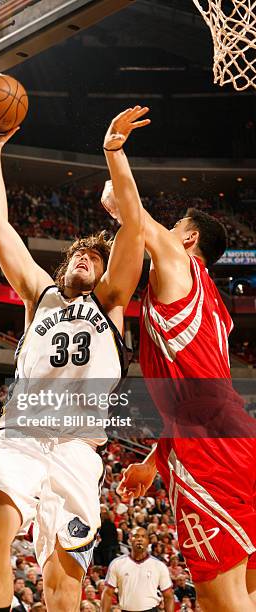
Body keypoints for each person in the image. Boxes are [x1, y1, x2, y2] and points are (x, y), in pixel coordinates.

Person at [0, 105, 148, 612]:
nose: (85, 260)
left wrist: (113, 153)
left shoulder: (111, 303)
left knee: (64, 585)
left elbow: (133, 228)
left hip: (77, 447)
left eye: (94, 258)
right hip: (23, 434)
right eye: (78, 256)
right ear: (64, 265)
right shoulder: (38, 294)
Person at [101, 118, 256, 611]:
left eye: (174, 230)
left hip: (207, 450)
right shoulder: (219, 311)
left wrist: (114, 152)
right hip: (236, 441)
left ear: (189, 241)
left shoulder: (179, 262)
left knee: (218, 599)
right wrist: (154, 460)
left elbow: (133, 213)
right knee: (247, 590)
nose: (166, 234)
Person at [100, 527, 174, 612]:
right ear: (130, 539)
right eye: (136, 536)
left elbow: (168, 596)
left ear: (148, 541)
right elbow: (108, 594)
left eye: (143, 536)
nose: (140, 539)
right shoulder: (117, 564)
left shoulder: (159, 565)